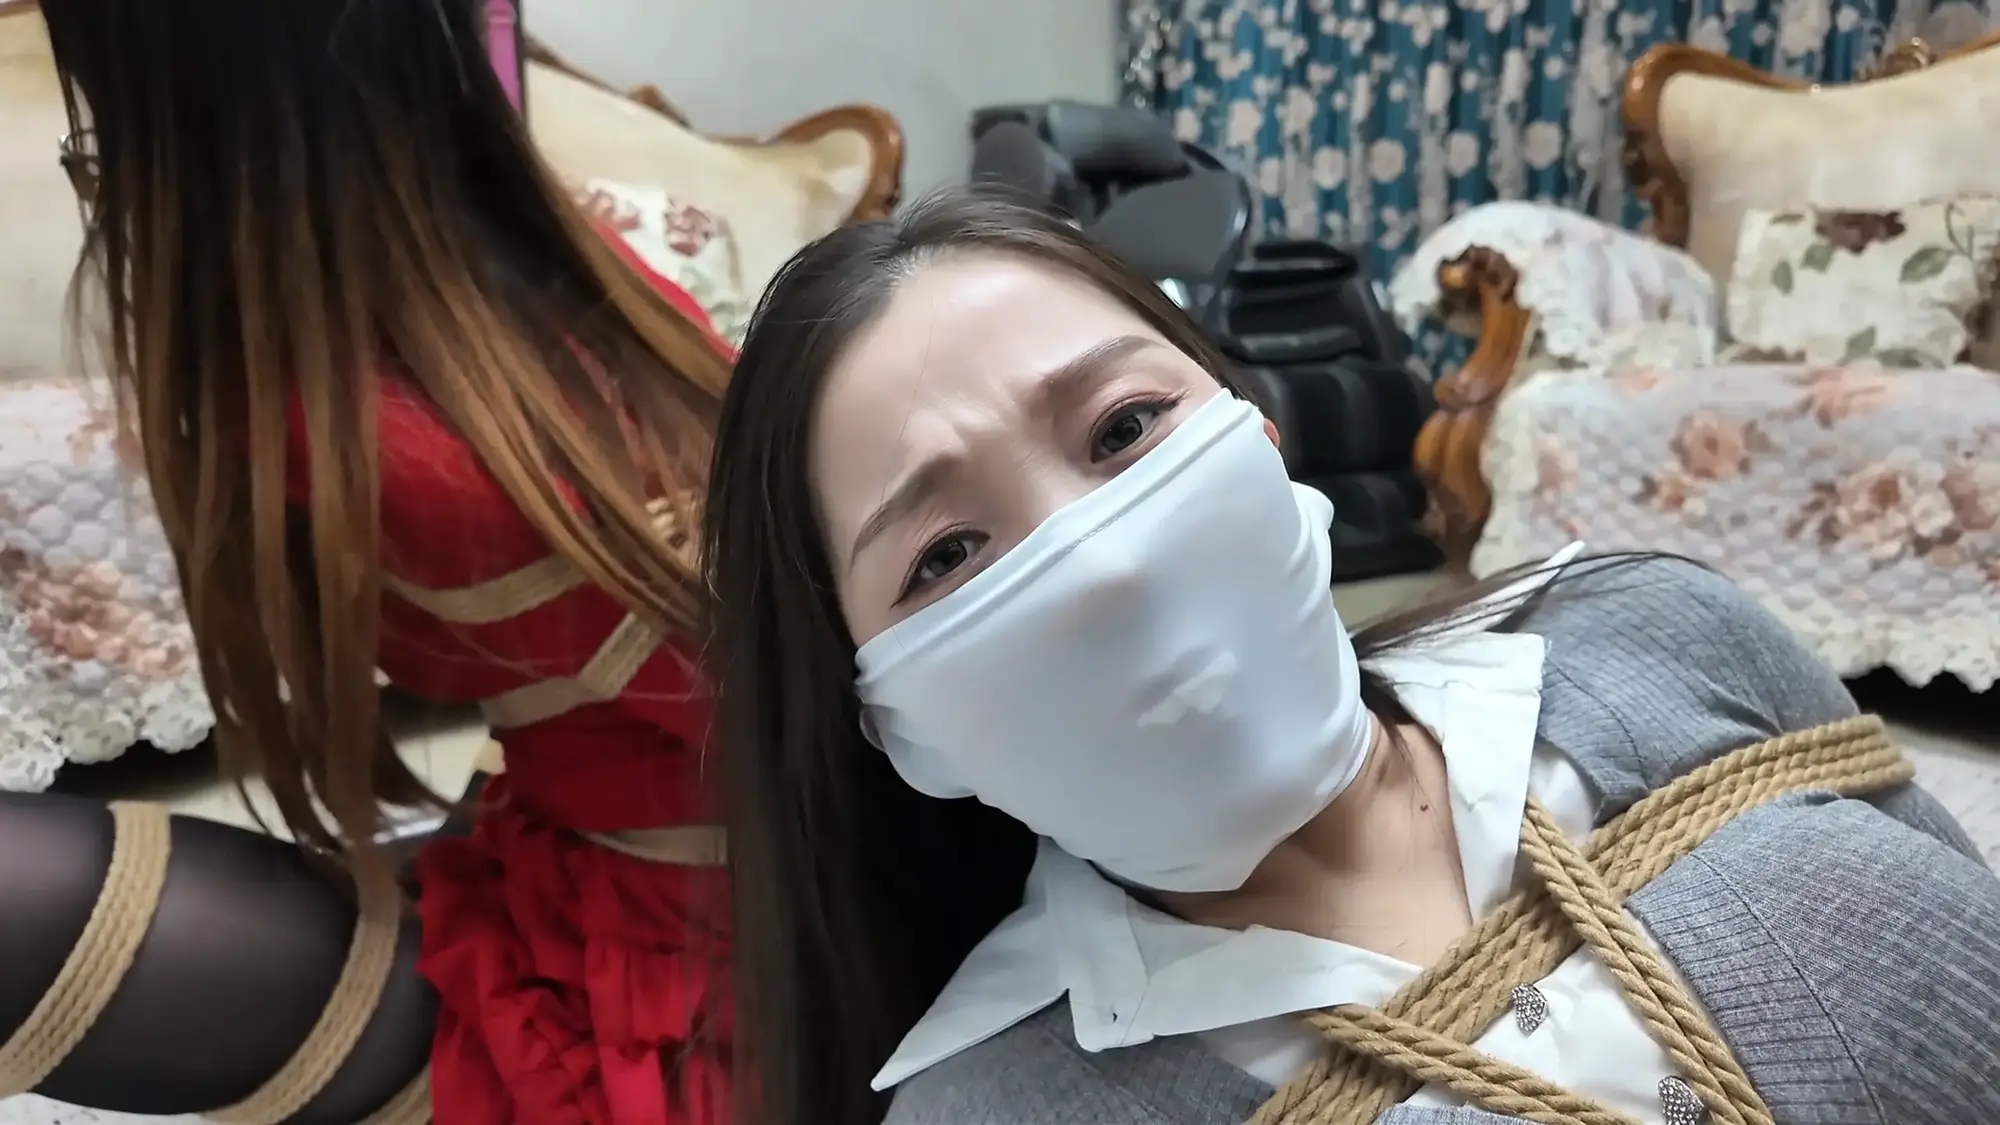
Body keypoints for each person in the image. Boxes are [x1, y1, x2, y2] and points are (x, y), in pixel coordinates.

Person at [702, 190, 2000, 1125]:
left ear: (1262, 442)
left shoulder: (1658, 627)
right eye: (945, 553)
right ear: (902, 727)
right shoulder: (983, 1108)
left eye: (1123, 428)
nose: (1102, 565)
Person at [10, 0, 735, 1121]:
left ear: (181, 126)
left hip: (689, 977)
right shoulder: (587, 279)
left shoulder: (344, 428)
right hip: (682, 877)